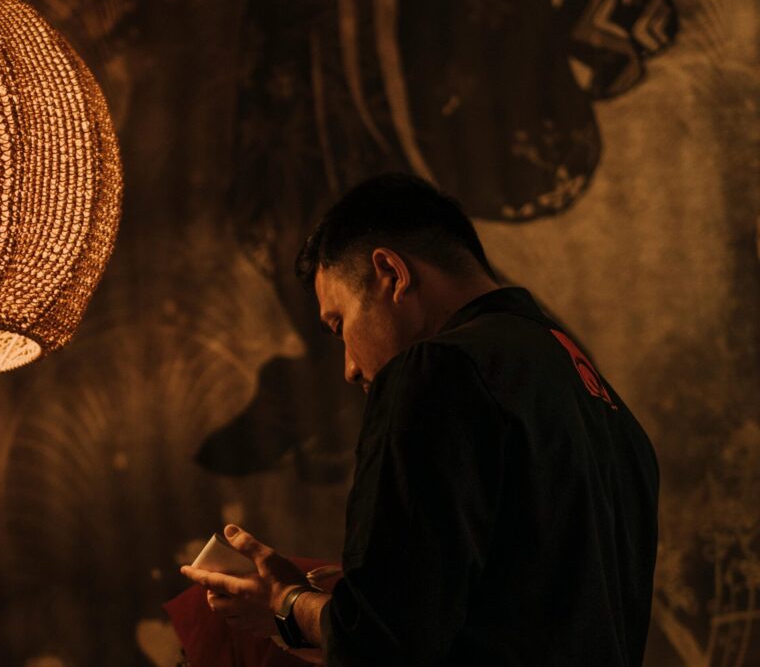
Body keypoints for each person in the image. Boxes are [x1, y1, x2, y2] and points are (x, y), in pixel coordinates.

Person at [181, 173, 659, 666]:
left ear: (391, 273)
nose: (349, 367)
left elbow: (384, 644)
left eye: (339, 323)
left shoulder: (435, 369)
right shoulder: (603, 402)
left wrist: (286, 602)